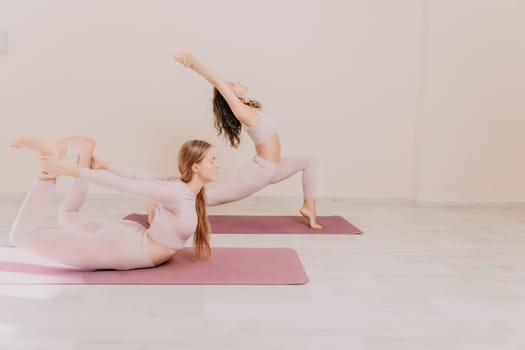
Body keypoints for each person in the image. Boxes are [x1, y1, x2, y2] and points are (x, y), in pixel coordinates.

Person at [8, 136, 218, 270]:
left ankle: (84, 153)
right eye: (212, 160)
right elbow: (125, 184)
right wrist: (64, 170)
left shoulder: (178, 187)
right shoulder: (177, 191)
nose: (217, 165)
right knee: (20, 237)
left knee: (68, 215)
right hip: (123, 247)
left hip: (130, 240)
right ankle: (49, 168)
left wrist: (103, 164)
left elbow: (137, 176)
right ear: (196, 167)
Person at [171, 51, 322, 228]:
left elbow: (222, 83)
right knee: (212, 198)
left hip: (273, 168)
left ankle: (309, 208)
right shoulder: (241, 111)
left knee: (311, 159)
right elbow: (216, 80)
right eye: (231, 85)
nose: (235, 83)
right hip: (260, 173)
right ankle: (163, 203)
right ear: (230, 96)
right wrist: (193, 63)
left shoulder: (248, 107)